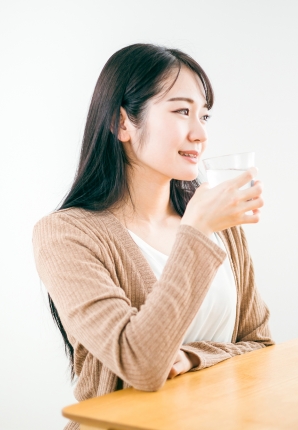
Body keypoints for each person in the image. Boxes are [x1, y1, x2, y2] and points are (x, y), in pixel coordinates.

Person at [32, 44, 273, 430]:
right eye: (182, 111)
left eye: (204, 115)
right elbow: (140, 364)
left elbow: (259, 346)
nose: (201, 134)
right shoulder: (66, 235)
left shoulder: (217, 223)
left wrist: (195, 356)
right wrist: (195, 231)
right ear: (122, 123)